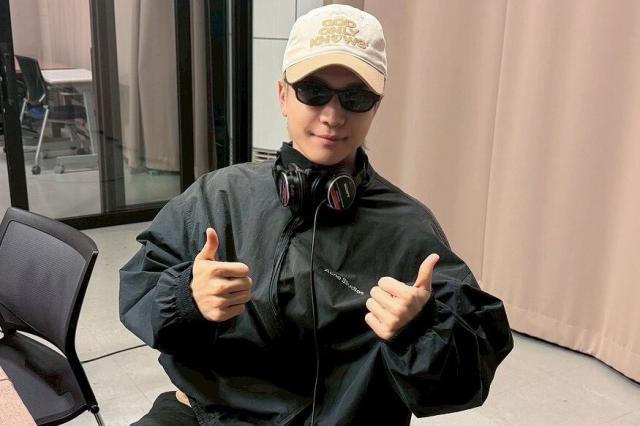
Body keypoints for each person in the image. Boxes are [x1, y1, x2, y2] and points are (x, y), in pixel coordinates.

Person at [120, 4, 513, 425]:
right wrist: (187, 298)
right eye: (313, 91)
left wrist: (419, 331)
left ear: (375, 108)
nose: (333, 116)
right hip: (205, 413)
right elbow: (141, 287)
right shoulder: (218, 196)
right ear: (283, 95)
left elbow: (469, 373)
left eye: (355, 98)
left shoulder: (407, 230)